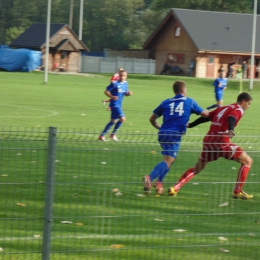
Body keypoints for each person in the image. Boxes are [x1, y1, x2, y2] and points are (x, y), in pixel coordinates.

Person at [168, 92, 253, 200]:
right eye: (248, 104)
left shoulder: (224, 107)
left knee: (197, 168)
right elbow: (232, 117)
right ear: (243, 101)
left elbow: (207, 117)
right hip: (221, 142)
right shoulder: (238, 109)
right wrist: (231, 129)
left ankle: (175, 188)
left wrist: (191, 124)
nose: (248, 107)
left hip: (209, 142)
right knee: (247, 161)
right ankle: (237, 191)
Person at [142, 81, 209, 195]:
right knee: (167, 161)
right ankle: (150, 178)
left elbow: (152, 119)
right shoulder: (189, 101)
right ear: (183, 90)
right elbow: (205, 114)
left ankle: (160, 182)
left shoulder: (166, 102)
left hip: (163, 133)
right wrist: (207, 111)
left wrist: (160, 128)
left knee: (171, 159)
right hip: (174, 135)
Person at [99, 70, 133, 142]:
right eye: (121, 75)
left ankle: (102, 136)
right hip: (114, 105)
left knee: (113, 121)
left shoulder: (125, 84)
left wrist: (128, 94)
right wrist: (112, 97)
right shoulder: (114, 83)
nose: (122, 77)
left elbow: (124, 93)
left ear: (126, 77)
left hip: (119, 105)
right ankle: (113, 134)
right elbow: (106, 91)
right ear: (118, 76)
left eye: (124, 76)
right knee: (123, 119)